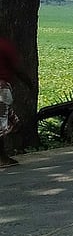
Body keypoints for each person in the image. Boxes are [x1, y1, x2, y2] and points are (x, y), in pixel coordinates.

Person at [0, 36, 20, 167]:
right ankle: (2, 158)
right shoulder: (4, 45)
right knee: (1, 124)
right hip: (1, 90)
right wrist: (27, 82)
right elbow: (16, 67)